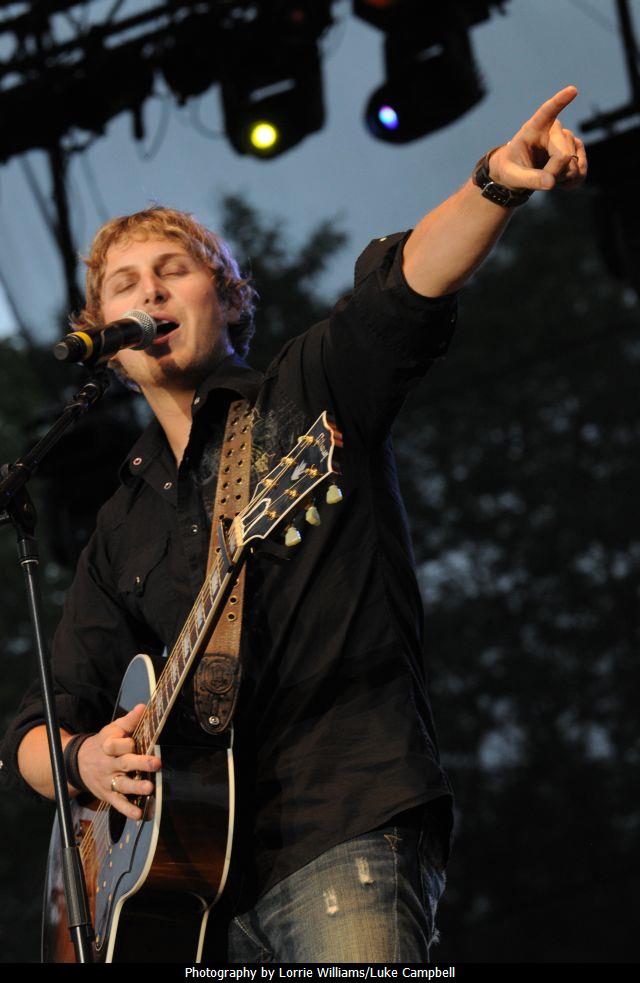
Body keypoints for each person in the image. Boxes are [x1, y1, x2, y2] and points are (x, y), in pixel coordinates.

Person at [1, 86, 587, 963]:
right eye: (124, 284)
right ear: (106, 342)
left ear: (228, 297)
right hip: (191, 894)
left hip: (343, 822)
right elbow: (34, 727)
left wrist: (495, 183)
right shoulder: (122, 519)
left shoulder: (307, 391)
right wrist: (81, 761)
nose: (149, 291)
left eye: (173, 270)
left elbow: (405, 289)